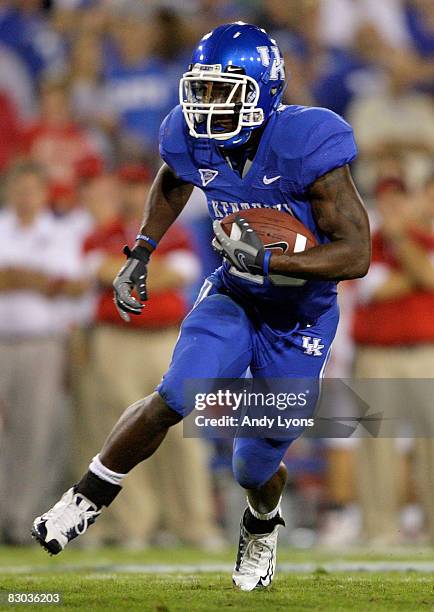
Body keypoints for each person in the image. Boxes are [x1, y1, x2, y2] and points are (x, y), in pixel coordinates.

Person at [32, 23, 371, 591]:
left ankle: (262, 520)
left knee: (253, 466)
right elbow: (175, 176)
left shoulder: (309, 140)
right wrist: (141, 251)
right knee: (177, 391)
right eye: (204, 89)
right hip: (236, 293)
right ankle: (86, 497)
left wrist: (273, 263)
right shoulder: (190, 136)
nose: (208, 105)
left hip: (300, 317)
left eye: (224, 91)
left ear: (263, 89)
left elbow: (356, 253)